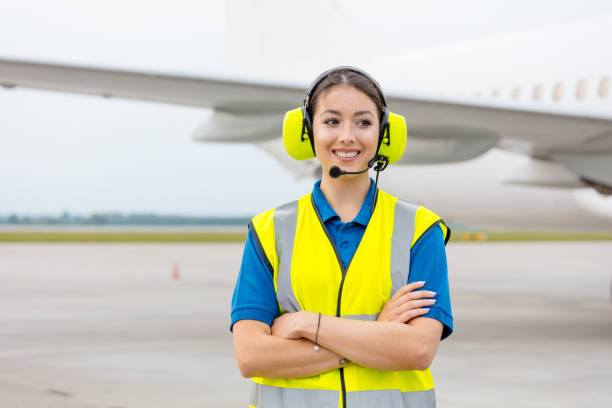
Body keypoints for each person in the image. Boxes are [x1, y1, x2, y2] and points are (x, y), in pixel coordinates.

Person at [230, 67, 453, 408]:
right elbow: (251, 356)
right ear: (308, 132)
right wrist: (378, 333)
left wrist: (307, 324)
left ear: (384, 135)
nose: (347, 136)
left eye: (363, 122)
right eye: (332, 121)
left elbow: (418, 350)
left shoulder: (420, 230)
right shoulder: (268, 230)